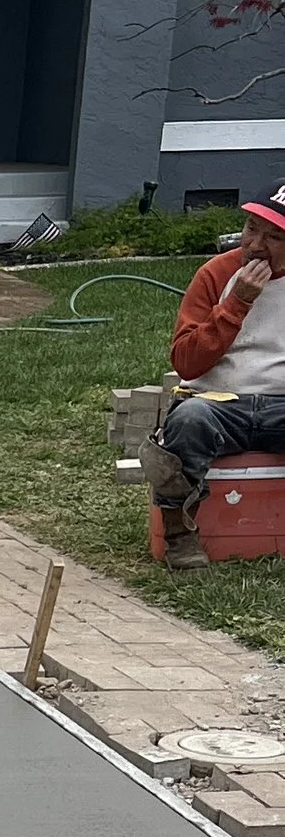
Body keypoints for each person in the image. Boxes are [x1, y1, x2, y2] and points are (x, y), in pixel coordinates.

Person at [145, 190, 285, 567]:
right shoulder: (216, 273)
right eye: (250, 229)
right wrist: (237, 303)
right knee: (188, 421)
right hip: (218, 403)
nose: (255, 245)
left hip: (280, 404)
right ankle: (178, 532)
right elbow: (186, 362)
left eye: (274, 237)